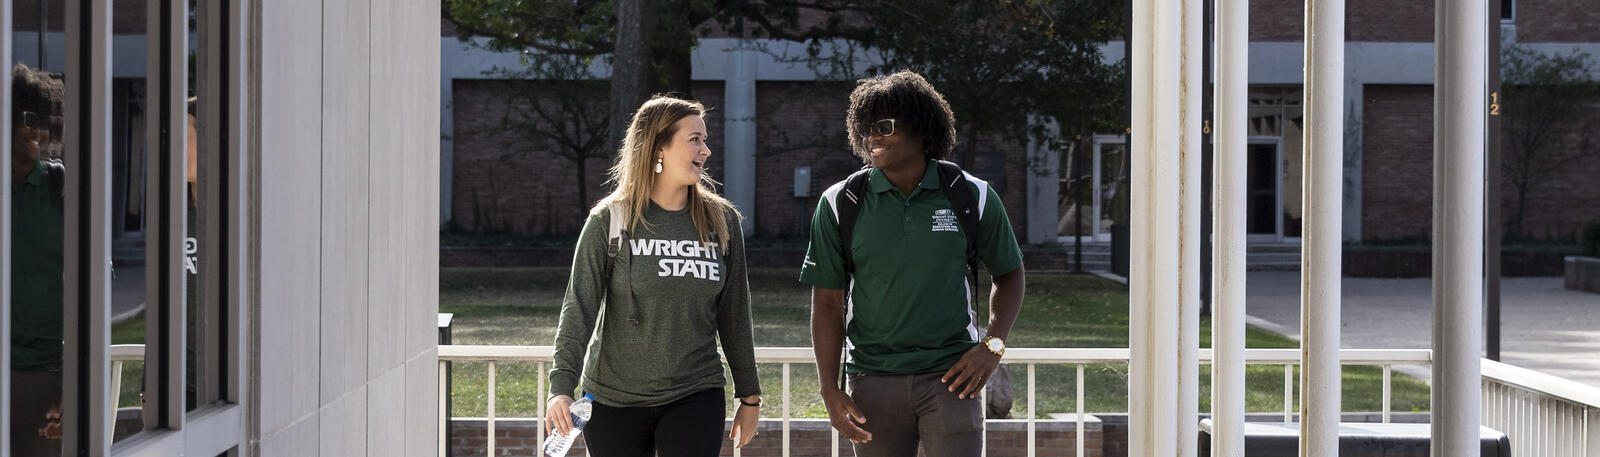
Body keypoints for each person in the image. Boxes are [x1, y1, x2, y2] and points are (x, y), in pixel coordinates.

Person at [800, 70, 1026, 456]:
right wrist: (829, 388)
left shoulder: (972, 195)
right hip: (872, 380)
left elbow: (1010, 274)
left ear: (920, 128)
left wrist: (992, 347)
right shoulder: (840, 202)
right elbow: (827, 303)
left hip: (953, 378)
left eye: (885, 127)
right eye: (866, 127)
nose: (872, 137)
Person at [545, 96, 762, 455]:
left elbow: (735, 313)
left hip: (696, 391)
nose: (706, 150)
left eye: (705, 139)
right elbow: (578, 308)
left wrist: (750, 396)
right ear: (658, 148)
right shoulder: (609, 220)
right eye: (694, 139)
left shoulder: (721, 221)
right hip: (614, 397)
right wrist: (561, 388)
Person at [10, 62, 65, 457]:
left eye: (45, 122)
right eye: (30, 118)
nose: (38, 131)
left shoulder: (62, 188)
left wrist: (76, 382)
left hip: (49, 378)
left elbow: (96, 285)